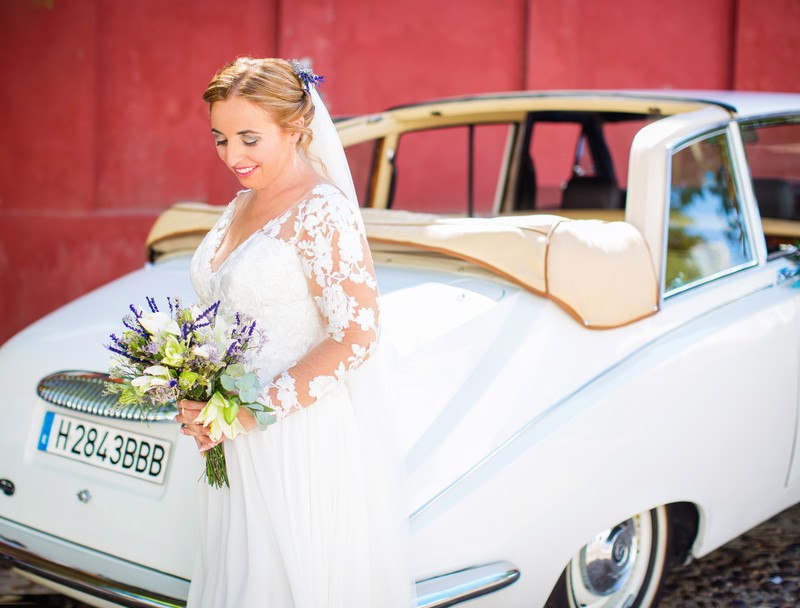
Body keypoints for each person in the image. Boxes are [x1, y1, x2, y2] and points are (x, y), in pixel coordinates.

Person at [174, 57, 413, 608]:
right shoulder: (242, 203)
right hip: (231, 437)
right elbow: (222, 309)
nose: (232, 156)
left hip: (293, 439)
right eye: (220, 139)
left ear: (296, 127)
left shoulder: (322, 210)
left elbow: (357, 335)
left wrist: (252, 411)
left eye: (249, 138)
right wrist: (197, 390)